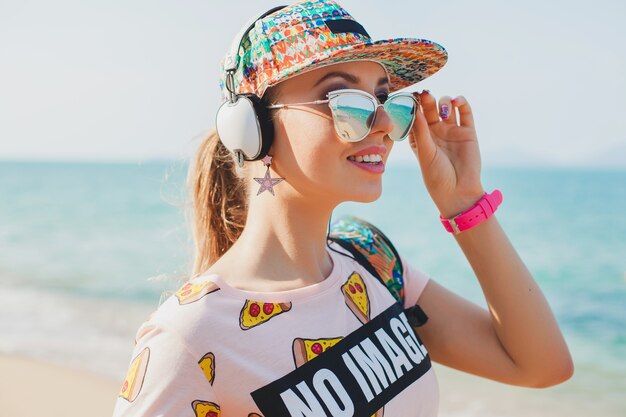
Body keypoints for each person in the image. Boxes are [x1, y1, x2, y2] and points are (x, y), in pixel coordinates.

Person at [112, 1, 573, 416]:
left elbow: (540, 365)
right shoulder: (189, 339)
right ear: (250, 127)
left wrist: (464, 203)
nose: (386, 122)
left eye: (383, 98)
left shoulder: (370, 258)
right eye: (346, 100)